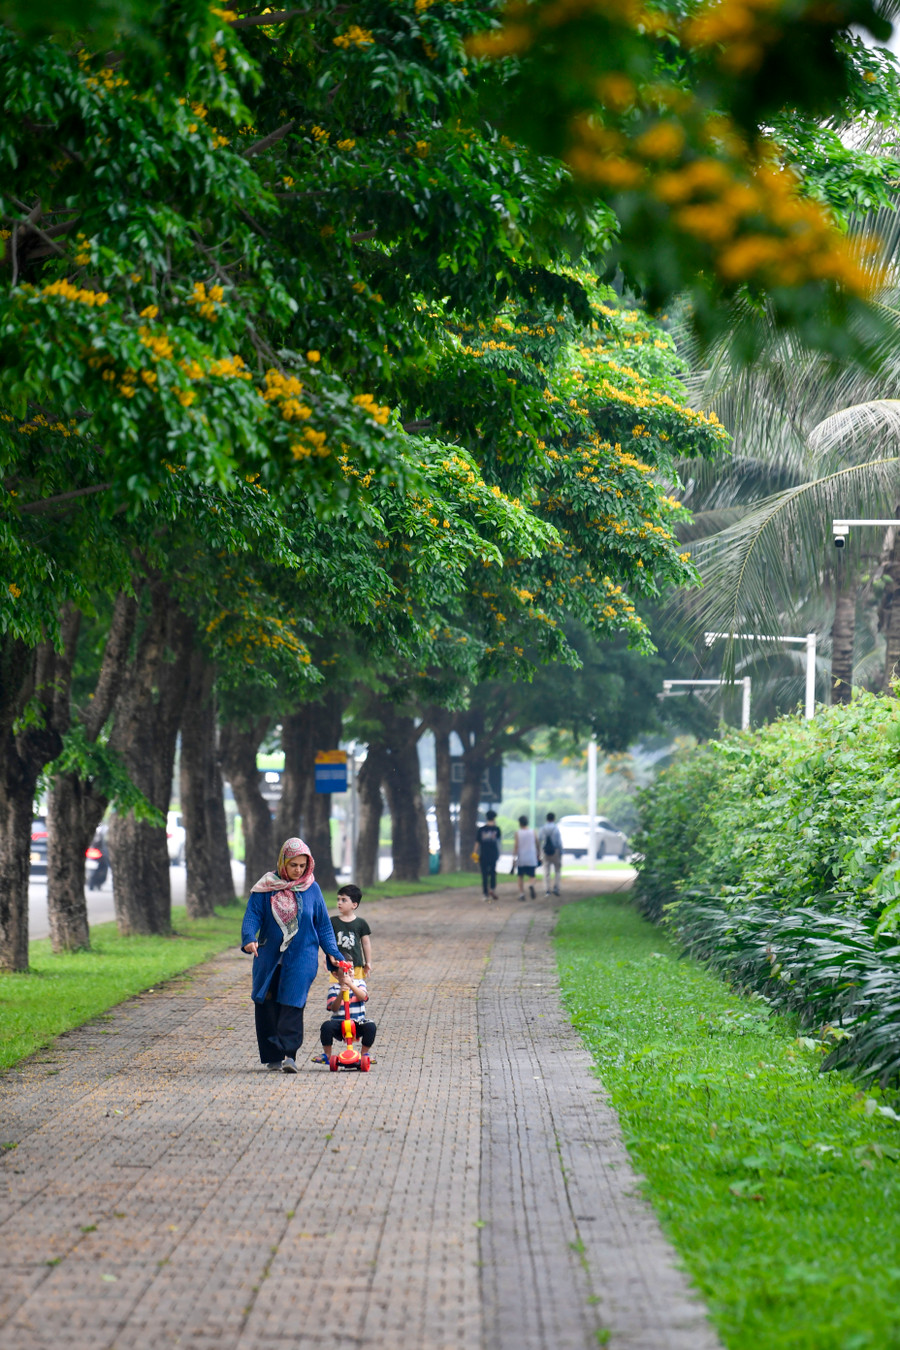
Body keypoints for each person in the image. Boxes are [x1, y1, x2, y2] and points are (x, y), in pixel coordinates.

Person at [240, 837, 343, 1074]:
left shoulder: (312, 889)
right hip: (268, 956)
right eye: (293, 865)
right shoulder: (265, 887)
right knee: (266, 1002)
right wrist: (249, 939)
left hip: (302, 955)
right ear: (282, 862)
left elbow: (324, 926)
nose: (298, 870)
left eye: (302, 866)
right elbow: (252, 916)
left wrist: (333, 953)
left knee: (292, 1002)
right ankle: (272, 1055)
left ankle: (289, 1055)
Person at [313, 963, 377, 1065]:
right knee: (326, 1027)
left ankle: (365, 1053)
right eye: (345, 971)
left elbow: (363, 997)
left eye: (351, 968)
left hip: (358, 1022)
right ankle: (327, 1055)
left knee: (371, 1026)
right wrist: (341, 994)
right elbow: (333, 1008)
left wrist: (351, 985)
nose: (350, 972)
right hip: (339, 1023)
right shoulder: (333, 988)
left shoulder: (360, 983)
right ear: (336, 975)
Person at [329, 883, 372, 978]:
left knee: (356, 989)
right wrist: (329, 959)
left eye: (344, 900)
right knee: (337, 990)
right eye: (338, 899)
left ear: (354, 905)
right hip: (338, 966)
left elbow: (366, 943)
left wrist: (368, 962)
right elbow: (329, 942)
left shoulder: (361, 923)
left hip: (356, 965)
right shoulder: (332, 922)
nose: (339, 902)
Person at [512, 814, 540, 901]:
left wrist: (514, 857)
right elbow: (537, 843)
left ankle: (521, 894)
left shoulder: (518, 833)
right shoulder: (533, 832)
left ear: (519, 823)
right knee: (532, 875)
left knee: (520, 876)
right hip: (531, 856)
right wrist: (539, 854)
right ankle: (531, 885)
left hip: (521, 857)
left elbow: (516, 846)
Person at [475, 810, 501, 901]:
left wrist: (474, 854)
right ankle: (492, 888)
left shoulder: (481, 830)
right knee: (493, 872)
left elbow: (477, 843)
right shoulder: (497, 829)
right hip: (493, 854)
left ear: (486, 818)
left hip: (484, 854)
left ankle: (485, 894)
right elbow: (498, 842)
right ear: (494, 818)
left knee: (484, 874)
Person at [538, 811, 563, 897]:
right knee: (557, 870)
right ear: (554, 819)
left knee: (546, 871)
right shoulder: (556, 828)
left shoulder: (543, 828)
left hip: (545, 851)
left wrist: (539, 851)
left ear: (546, 819)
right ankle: (556, 887)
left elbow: (539, 839)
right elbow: (559, 842)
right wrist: (561, 852)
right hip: (555, 851)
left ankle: (547, 890)